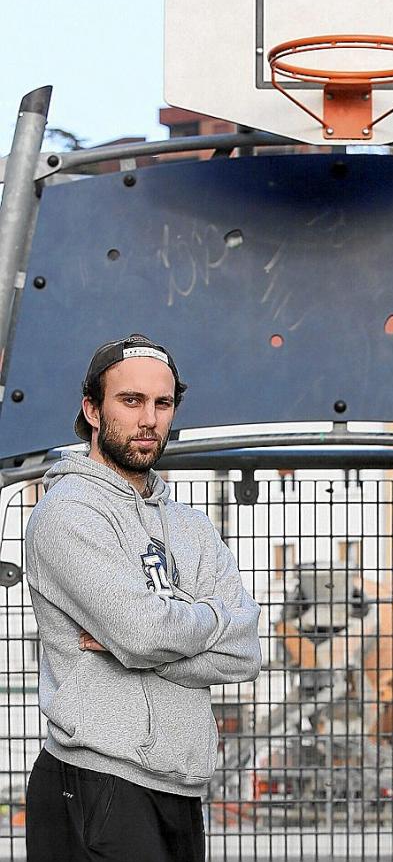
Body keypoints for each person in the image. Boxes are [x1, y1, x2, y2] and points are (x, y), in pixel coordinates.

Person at [24, 333, 262, 862]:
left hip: (179, 787)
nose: (149, 419)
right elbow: (141, 632)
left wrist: (140, 643)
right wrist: (190, 626)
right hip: (96, 779)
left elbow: (245, 651)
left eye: (162, 403)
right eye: (131, 401)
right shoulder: (67, 514)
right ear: (91, 409)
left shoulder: (190, 526)